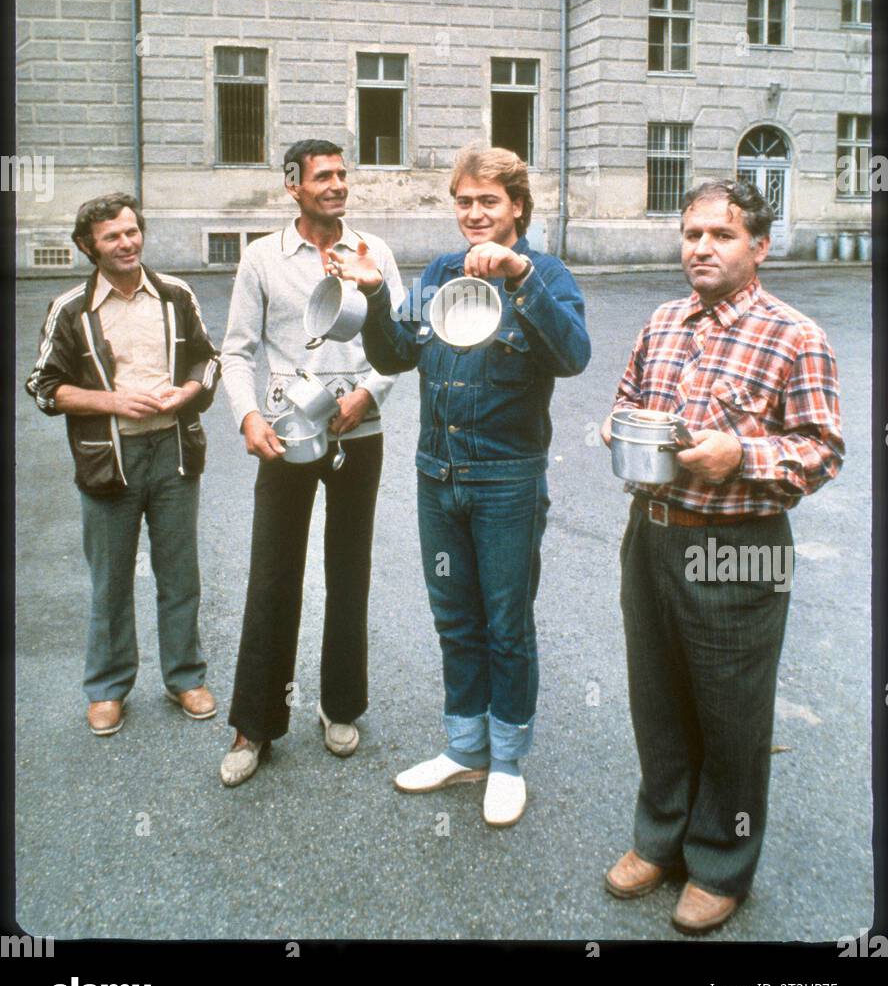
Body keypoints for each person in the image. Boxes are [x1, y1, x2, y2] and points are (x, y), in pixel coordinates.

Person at [601, 178, 844, 933]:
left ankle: (721, 861)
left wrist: (740, 453)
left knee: (733, 716)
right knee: (659, 700)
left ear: (759, 247)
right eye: (692, 234)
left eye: (721, 235)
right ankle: (660, 837)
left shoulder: (794, 334)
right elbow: (625, 399)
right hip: (653, 535)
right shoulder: (663, 320)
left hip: (740, 547)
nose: (701, 248)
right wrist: (620, 431)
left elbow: (822, 451)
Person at [335, 146, 591, 827]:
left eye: (488, 201)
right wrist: (373, 294)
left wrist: (520, 278)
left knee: (506, 624)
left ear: (516, 206)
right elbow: (394, 354)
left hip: (507, 481)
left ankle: (507, 762)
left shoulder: (549, 273)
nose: (473, 213)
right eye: (463, 200)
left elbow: (574, 356)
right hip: (436, 477)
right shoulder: (443, 271)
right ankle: (464, 749)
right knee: (455, 619)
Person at [218, 139, 404, 787]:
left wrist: (367, 392)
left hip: (359, 429)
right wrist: (246, 417)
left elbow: (400, 338)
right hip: (286, 434)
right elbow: (237, 352)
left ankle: (340, 706)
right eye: (323, 176)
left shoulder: (372, 252)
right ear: (292, 185)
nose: (337, 185)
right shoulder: (262, 259)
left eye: (342, 174)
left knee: (349, 571)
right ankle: (255, 725)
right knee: (273, 574)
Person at [26, 193, 221, 736]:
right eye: (112, 236)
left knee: (179, 575)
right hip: (108, 460)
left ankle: (185, 677)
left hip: (174, 452)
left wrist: (187, 391)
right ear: (89, 246)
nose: (127, 243)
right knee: (110, 580)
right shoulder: (72, 309)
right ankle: (108, 688)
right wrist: (110, 401)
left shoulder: (175, 295)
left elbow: (209, 360)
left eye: (132, 231)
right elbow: (42, 389)